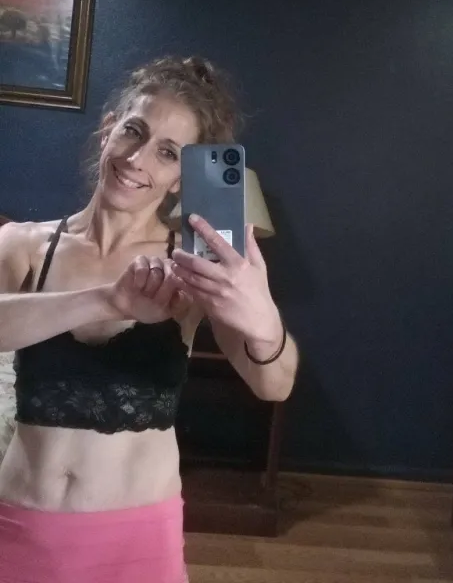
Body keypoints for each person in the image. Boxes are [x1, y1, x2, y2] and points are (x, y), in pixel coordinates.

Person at [0, 56, 298, 583]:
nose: (137, 159)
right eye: (133, 131)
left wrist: (264, 320)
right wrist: (109, 301)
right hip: (22, 528)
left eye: (167, 153)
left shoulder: (192, 267)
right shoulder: (24, 244)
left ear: (183, 179)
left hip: (136, 540)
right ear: (107, 130)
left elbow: (274, 384)